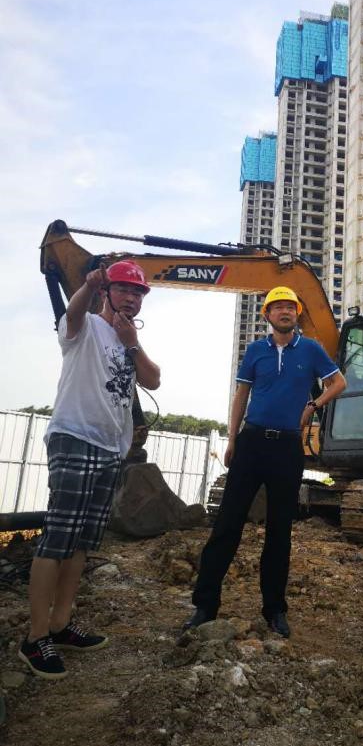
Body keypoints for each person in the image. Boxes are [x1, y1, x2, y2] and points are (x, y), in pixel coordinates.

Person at [20, 261, 160, 679]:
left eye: (137, 293)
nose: (131, 298)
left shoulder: (127, 339)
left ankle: (60, 624)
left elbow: (153, 380)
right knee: (58, 538)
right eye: (124, 290)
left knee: (82, 542)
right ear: (106, 293)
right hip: (75, 437)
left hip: (111, 448)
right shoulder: (83, 328)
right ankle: (35, 637)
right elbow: (74, 311)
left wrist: (132, 344)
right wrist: (87, 286)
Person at [184, 286, 346, 638]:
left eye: (291, 306)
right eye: (278, 307)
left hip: (287, 449)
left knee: (279, 531)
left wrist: (313, 405)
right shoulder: (256, 350)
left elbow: (338, 382)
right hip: (252, 442)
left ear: (298, 313)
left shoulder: (312, 349)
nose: (285, 311)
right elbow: (241, 394)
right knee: (227, 524)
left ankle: (274, 610)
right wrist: (232, 438)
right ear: (267, 314)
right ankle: (205, 605)